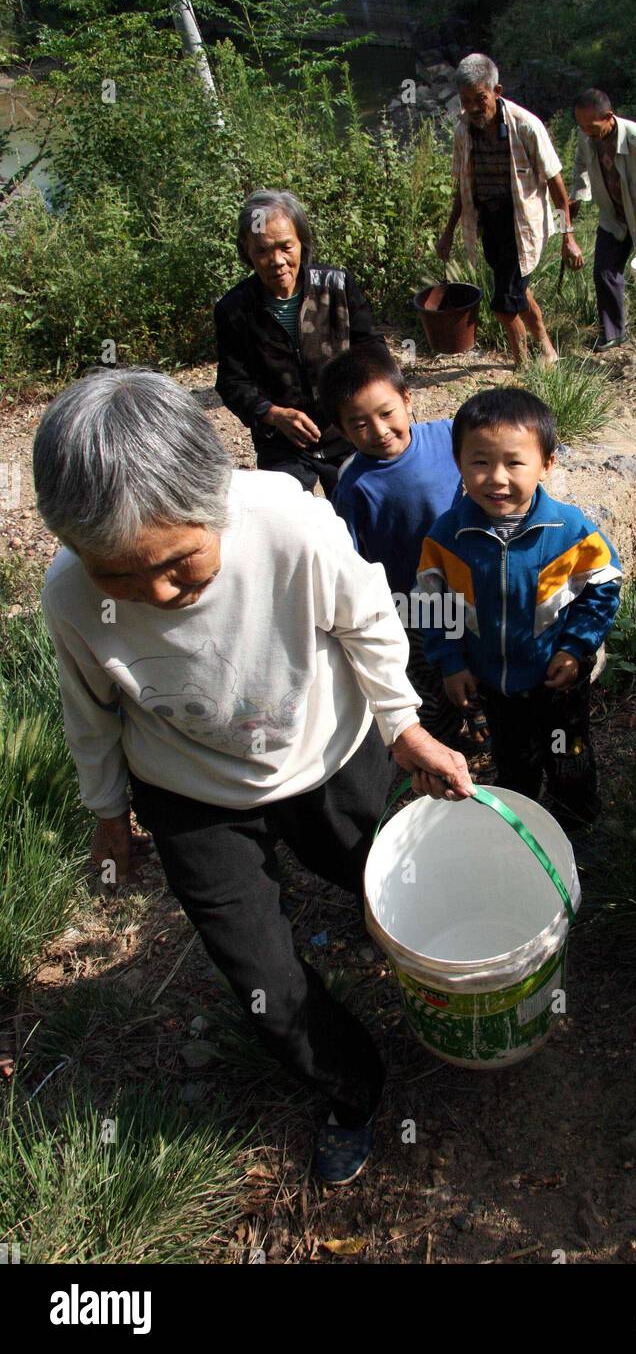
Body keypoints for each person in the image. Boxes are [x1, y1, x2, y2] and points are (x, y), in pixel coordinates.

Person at [33, 368, 473, 1186]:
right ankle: (349, 1089)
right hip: (190, 793)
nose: (154, 594)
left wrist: (401, 723)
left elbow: (367, 618)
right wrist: (108, 813)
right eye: (119, 577)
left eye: (176, 564)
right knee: (261, 978)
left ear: (216, 503)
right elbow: (90, 709)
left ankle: (446, 976)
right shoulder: (68, 596)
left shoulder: (288, 523)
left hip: (327, 751)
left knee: (395, 888)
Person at [416, 387, 622, 830]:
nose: (496, 477)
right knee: (514, 765)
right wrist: (451, 664)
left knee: (567, 756)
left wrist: (576, 647)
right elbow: (432, 604)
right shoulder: (447, 536)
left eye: (514, 462)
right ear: (459, 463)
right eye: (480, 462)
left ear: (547, 463)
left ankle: (576, 828)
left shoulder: (568, 530)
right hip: (494, 684)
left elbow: (604, 587)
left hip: (557, 681)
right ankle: (520, 828)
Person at [321, 344, 479, 751]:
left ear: (407, 399)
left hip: (472, 587)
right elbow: (351, 561)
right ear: (340, 430)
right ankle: (441, 744)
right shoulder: (354, 487)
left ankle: (480, 720)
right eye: (359, 424)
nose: (379, 431)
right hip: (414, 604)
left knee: (478, 660)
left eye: (387, 413)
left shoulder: (449, 436)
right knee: (432, 675)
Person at [214, 189, 386, 495]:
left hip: (347, 432)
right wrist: (274, 415)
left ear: (301, 243)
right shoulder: (235, 309)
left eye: (286, 247)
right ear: (247, 253)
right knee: (287, 520)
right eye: (263, 251)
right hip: (281, 441)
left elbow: (372, 352)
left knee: (362, 512)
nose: (276, 261)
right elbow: (232, 382)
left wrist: (360, 410)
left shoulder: (337, 287)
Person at [435, 53, 582, 368]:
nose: (473, 108)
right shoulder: (464, 132)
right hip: (490, 224)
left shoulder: (526, 125)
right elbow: (462, 187)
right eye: (465, 100)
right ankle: (547, 347)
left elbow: (556, 183)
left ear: (497, 91)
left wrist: (567, 234)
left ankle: (523, 365)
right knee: (518, 291)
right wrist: (448, 233)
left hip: (522, 225)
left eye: (480, 99)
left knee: (503, 305)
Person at [568, 88, 636, 351]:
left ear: (608, 117)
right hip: (613, 217)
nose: (585, 132)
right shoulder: (586, 138)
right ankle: (614, 333)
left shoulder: (635, 139)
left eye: (591, 127)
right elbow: (579, 168)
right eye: (581, 126)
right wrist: (577, 196)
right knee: (604, 273)